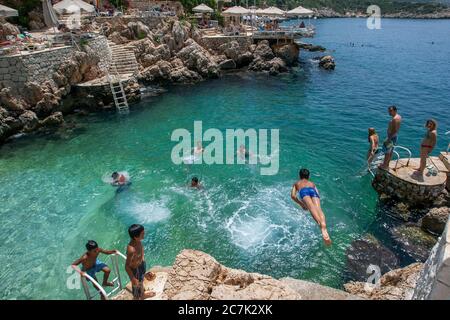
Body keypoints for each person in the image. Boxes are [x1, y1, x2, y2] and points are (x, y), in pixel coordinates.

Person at [290, 169, 332, 246]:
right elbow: (317, 193)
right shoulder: (312, 183)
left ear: (299, 176)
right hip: (313, 191)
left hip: (304, 192)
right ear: (308, 176)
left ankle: (320, 225)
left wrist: (301, 204)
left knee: (311, 208)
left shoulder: (296, 183)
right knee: (318, 209)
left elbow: (293, 196)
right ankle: (324, 226)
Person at [125, 224, 156, 300]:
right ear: (135, 237)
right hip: (135, 270)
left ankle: (142, 295)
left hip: (141, 265)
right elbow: (127, 266)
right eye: (142, 233)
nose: (144, 234)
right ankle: (137, 297)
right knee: (136, 287)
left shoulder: (138, 241)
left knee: (141, 281)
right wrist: (133, 278)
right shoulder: (131, 250)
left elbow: (141, 251)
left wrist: (143, 264)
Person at [380, 105, 402, 170]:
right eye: (389, 111)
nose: (389, 112)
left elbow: (395, 130)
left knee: (387, 152)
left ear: (395, 110)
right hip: (394, 137)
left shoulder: (395, 119)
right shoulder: (399, 116)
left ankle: (384, 166)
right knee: (391, 151)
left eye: (391, 111)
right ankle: (387, 164)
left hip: (391, 137)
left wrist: (389, 139)